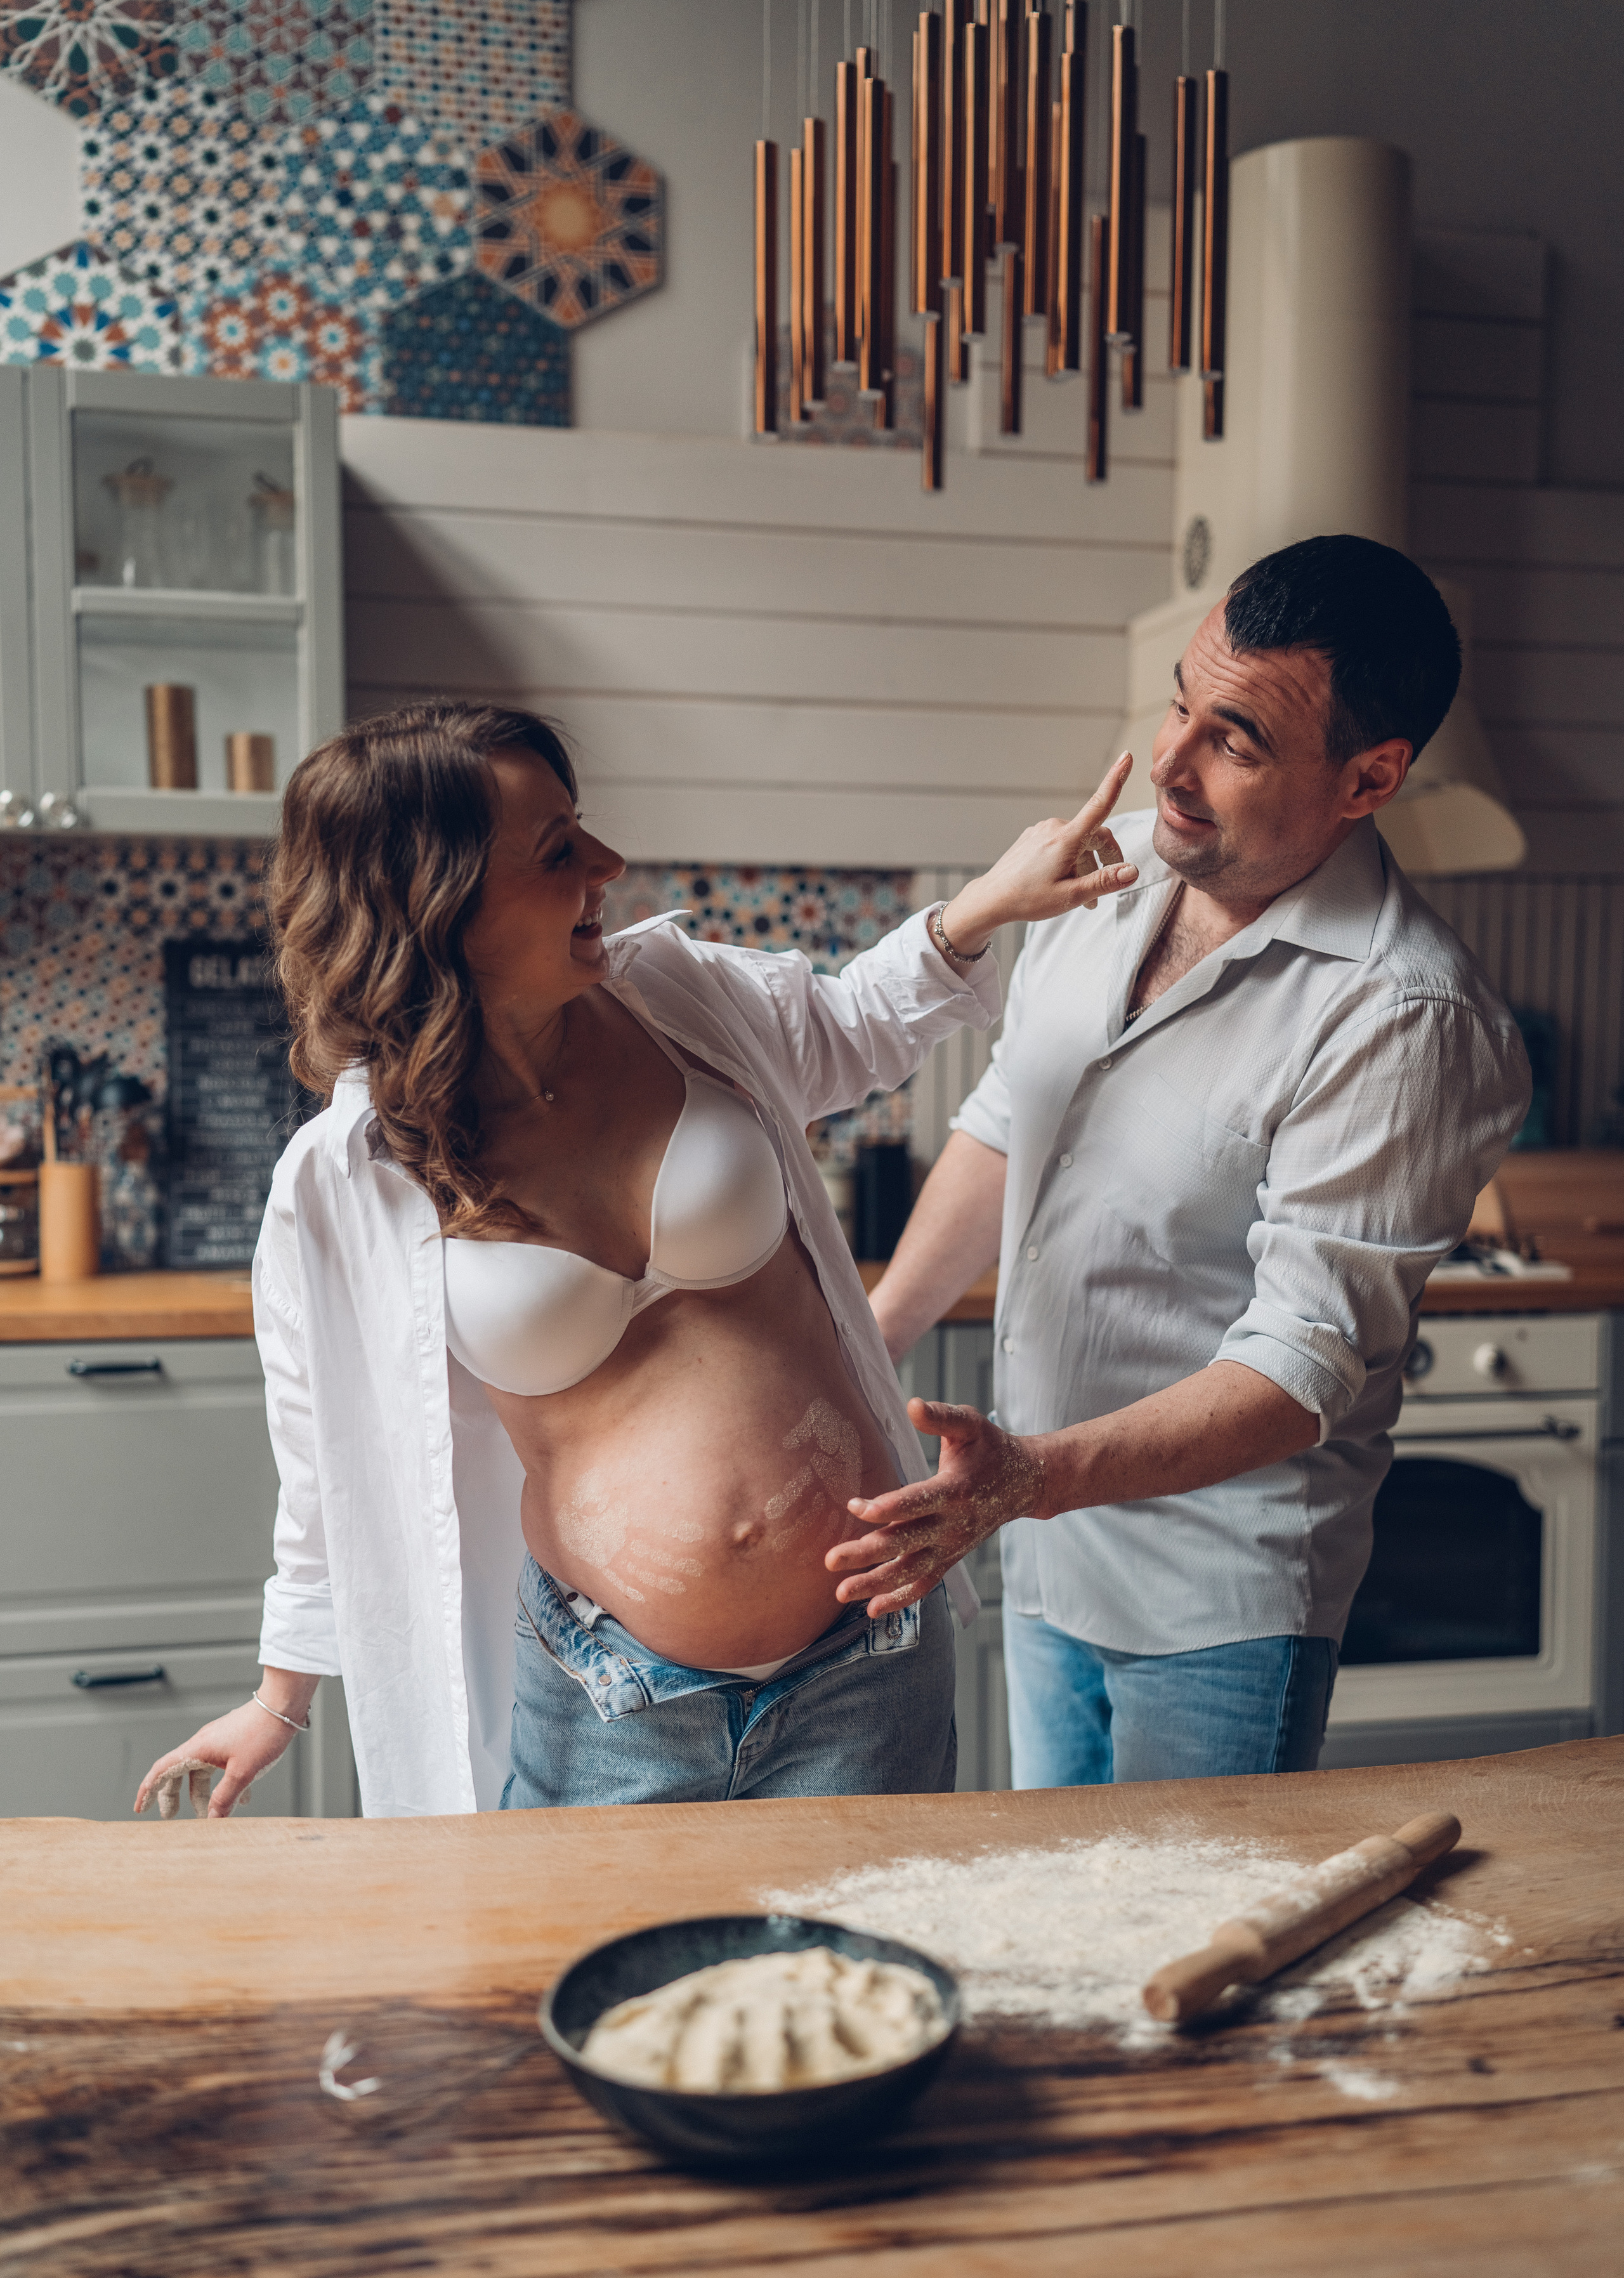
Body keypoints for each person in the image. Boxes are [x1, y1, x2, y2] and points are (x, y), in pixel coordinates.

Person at [135, 700, 1139, 1820]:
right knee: (596, 1988)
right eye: (558, 850)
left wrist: (986, 905)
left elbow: (849, 1025)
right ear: (438, 906)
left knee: (852, 1987)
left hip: (868, 1658)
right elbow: (326, 1451)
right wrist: (280, 1697)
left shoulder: (675, 996)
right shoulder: (347, 1176)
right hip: (609, 1705)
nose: (609, 866)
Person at [837, 535, 1532, 1786]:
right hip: (1044, 1548)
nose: (1168, 761)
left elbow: (1292, 1367)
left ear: (1367, 778)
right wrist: (865, 1338)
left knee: (1193, 1951)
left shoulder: (1403, 1017)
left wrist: (1030, 1478)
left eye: (1236, 739)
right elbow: (1009, 1115)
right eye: (1176, 703)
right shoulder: (1109, 877)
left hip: (1216, 1600)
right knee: (1070, 1928)